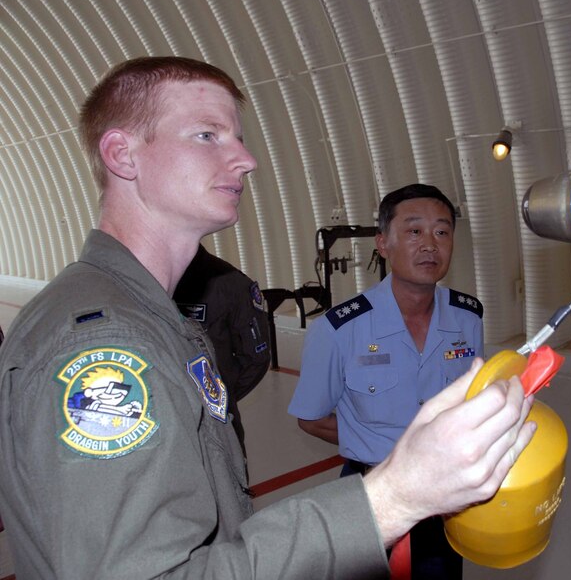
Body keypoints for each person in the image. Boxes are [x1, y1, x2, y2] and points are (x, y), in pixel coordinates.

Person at [0, 56, 536, 579]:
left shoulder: (156, 318)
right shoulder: (109, 346)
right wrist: (394, 496)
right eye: (207, 135)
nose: (247, 159)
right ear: (123, 155)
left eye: (238, 138)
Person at [288, 183, 483, 579]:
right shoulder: (339, 328)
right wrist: (386, 449)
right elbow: (311, 417)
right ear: (382, 243)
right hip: (371, 491)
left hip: (445, 491)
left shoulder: (468, 318)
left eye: (442, 231)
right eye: (414, 231)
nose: (430, 244)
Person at [174, 244, 271, 455]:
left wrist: (218, 397)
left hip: (217, 422)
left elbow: (256, 359)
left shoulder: (228, 283)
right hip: (169, 424)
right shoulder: (143, 281)